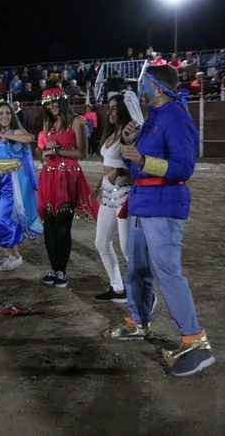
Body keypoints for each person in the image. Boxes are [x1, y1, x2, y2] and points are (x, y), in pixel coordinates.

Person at [104, 65, 215, 377]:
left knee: (168, 272)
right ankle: (138, 321)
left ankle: (196, 341)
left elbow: (183, 168)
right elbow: (141, 168)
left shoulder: (176, 118)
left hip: (164, 206)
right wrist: (132, 147)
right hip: (143, 202)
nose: (138, 89)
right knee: (137, 267)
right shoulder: (151, 120)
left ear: (156, 87)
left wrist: (141, 158)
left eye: (142, 83)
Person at [37, 85, 97, 288]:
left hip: (68, 178)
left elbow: (82, 153)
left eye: (54, 102)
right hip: (50, 177)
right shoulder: (50, 124)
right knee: (48, 226)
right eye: (47, 104)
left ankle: (61, 272)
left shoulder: (77, 121)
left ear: (62, 101)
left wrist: (58, 150)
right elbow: (44, 152)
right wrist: (46, 153)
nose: (51, 107)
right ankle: (54, 268)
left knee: (63, 227)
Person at [0, 103, 42, 271]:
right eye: (0, 114)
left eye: (7, 113)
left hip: (12, 182)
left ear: (12, 115)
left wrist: (9, 137)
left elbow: (30, 138)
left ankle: (17, 256)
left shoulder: (16, 132)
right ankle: (12, 254)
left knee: (3, 218)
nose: (4, 116)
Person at [92, 94, 132, 303]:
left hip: (124, 195)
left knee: (127, 249)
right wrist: (98, 186)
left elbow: (136, 167)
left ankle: (141, 292)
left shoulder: (129, 133)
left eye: (115, 108)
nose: (110, 112)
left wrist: (120, 173)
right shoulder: (112, 132)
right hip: (108, 195)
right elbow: (108, 164)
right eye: (109, 108)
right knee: (101, 242)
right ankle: (117, 288)